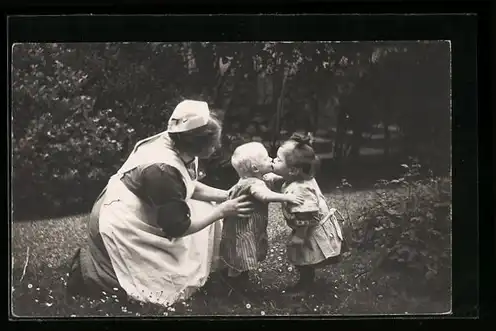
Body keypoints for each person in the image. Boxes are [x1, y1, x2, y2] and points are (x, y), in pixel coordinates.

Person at [66, 100, 254, 306]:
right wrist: (222, 211)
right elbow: (176, 227)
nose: (217, 147)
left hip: (147, 205)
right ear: (196, 144)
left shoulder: (178, 145)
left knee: (206, 210)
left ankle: (218, 274)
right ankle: (87, 274)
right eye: (212, 144)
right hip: (122, 220)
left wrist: (227, 196)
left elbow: (188, 186)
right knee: (160, 288)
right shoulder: (162, 169)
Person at [265, 133, 346, 296]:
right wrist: (276, 176)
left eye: (279, 160)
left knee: (303, 257)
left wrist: (300, 235)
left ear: (293, 170)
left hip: (310, 229)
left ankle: (305, 285)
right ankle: (306, 281)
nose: (273, 159)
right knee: (302, 256)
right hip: (306, 226)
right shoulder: (300, 178)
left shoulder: (301, 190)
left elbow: (308, 214)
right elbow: (288, 178)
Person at [219, 142, 304, 290]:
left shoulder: (259, 178)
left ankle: (238, 280)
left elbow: (274, 179)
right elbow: (264, 196)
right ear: (255, 168)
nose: (271, 159)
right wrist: (286, 198)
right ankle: (234, 286)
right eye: (266, 158)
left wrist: (289, 174)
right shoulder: (252, 183)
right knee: (241, 255)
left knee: (243, 255)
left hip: (245, 226)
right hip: (242, 229)